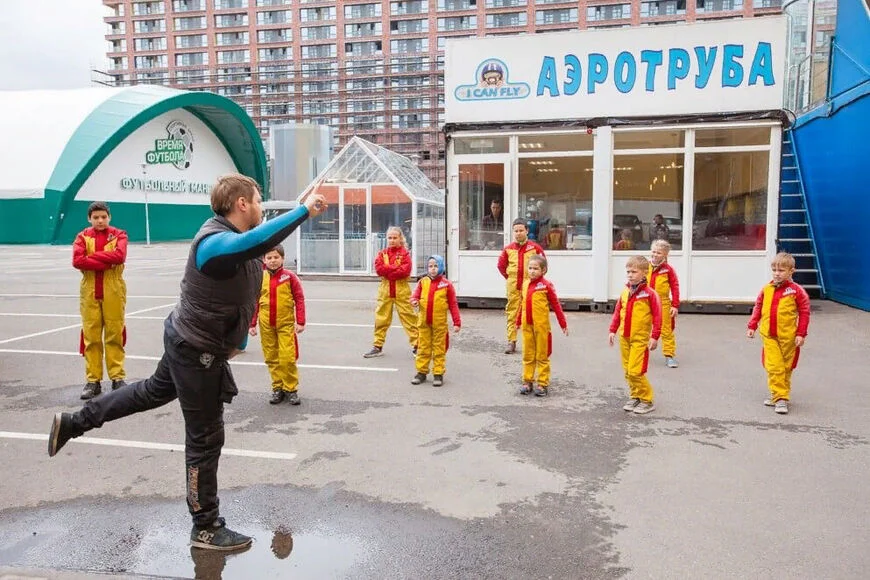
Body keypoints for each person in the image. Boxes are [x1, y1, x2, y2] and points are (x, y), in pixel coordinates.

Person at [48, 173, 327, 551]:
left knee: (149, 392)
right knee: (206, 437)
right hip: (196, 351)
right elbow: (250, 243)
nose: (262, 207)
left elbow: (246, 274)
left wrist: (237, 340)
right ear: (241, 204)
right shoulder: (214, 242)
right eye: (259, 200)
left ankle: (74, 422)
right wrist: (302, 212)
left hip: (190, 341)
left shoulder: (234, 243)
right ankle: (205, 526)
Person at [73, 201, 129, 400]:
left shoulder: (119, 235)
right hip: (89, 290)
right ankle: (93, 381)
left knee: (115, 333)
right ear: (89, 218)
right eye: (96, 217)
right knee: (91, 336)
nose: (100, 220)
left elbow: (120, 256)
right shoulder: (82, 236)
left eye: (103, 217)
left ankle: (117, 377)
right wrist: (107, 260)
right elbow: (77, 261)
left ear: (109, 217)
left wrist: (93, 257)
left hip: (113, 288)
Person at [746, 252, 811, 415]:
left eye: (781, 270)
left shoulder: (796, 291)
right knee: (774, 366)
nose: (776, 273)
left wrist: (801, 333)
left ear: (791, 271)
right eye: (774, 269)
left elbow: (804, 312)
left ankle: (778, 394)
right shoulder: (766, 289)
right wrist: (752, 325)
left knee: (786, 368)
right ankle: (781, 398)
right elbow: (758, 307)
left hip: (788, 337)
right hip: (769, 335)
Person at [249, 244, 305, 406]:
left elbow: (299, 298)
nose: (273, 261)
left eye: (276, 257)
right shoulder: (260, 277)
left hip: (285, 324)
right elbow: (255, 302)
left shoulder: (289, 277)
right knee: (271, 357)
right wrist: (252, 324)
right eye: (269, 258)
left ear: (282, 259)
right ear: (264, 260)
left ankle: (291, 388)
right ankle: (277, 387)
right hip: (266, 325)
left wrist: (300, 321)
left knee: (287, 357)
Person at [609, 255, 662, 415]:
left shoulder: (649, 294)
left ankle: (647, 399)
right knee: (627, 370)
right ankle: (635, 395)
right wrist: (612, 330)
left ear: (645, 273)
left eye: (634, 271)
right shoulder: (625, 292)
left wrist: (655, 336)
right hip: (624, 337)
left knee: (635, 371)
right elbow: (618, 312)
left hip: (640, 340)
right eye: (628, 272)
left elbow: (658, 316)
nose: (630, 275)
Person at [515, 255, 568, 397]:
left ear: (543, 270)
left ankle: (543, 383)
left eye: (535, 268)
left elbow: (556, 305)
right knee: (528, 354)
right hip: (527, 326)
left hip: (542, 327)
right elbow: (522, 304)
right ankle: (527, 381)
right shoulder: (525, 284)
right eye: (530, 268)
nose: (532, 271)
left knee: (542, 355)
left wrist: (563, 323)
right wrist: (518, 321)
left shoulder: (546, 285)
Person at [363, 227, 418, 358]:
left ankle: (418, 344)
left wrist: (388, 270)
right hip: (385, 290)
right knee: (381, 318)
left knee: (409, 317)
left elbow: (405, 271)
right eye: (390, 238)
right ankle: (377, 346)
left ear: (400, 239)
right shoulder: (382, 254)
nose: (392, 240)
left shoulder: (405, 254)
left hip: (402, 290)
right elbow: (379, 269)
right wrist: (394, 269)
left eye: (395, 238)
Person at [409, 255, 461, 387]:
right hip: (424, 323)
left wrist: (456, 322)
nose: (433, 269)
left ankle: (438, 373)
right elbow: (415, 295)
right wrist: (414, 301)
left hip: (439, 324)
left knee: (439, 348)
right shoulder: (422, 282)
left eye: (436, 266)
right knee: (423, 348)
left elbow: (453, 304)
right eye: (430, 266)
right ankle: (421, 372)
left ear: (441, 267)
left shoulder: (446, 285)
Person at [497, 218, 545, 354]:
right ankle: (511, 341)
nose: (518, 233)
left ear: (527, 231)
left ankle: (533, 342)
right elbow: (501, 266)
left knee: (532, 313)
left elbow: (543, 266)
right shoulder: (508, 249)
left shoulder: (535, 248)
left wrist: (536, 282)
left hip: (530, 288)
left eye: (521, 230)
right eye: (516, 231)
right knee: (512, 312)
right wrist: (510, 278)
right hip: (513, 287)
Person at [648, 240, 680, 368]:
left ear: (665, 255)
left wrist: (675, 305)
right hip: (646, 302)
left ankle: (669, 355)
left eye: (659, 253)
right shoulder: (645, 266)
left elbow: (675, 287)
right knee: (642, 327)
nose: (655, 255)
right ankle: (640, 351)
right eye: (653, 252)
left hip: (663, 303)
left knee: (666, 329)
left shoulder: (668, 270)